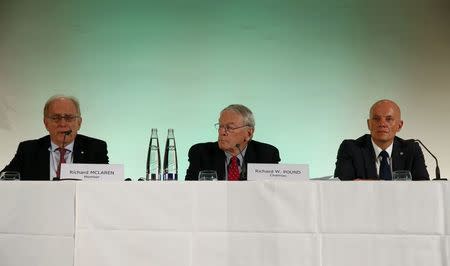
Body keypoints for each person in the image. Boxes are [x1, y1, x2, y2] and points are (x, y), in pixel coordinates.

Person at [1, 95, 109, 180]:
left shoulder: (95, 148)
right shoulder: (28, 150)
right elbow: (4, 179)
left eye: (69, 117)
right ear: (46, 123)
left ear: (79, 123)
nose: (62, 123)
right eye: (55, 118)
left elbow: (109, 183)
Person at [334, 99, 429, 181]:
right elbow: (342, 186)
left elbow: (424, 186)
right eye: (376, 119)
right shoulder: (351, 148)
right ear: (369, 124)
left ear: (399, 126)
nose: (382, 124)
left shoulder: (411, 149)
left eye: (389, 119)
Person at [185, 104, 280, 181]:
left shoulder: (267, 155)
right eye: (220, 126)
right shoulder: (200, 153)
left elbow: (272, 194)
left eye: (229, 128)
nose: (222, 132)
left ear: (248, 133)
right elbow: (190, 192)